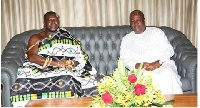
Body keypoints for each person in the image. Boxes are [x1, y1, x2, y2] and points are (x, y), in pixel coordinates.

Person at [10, 11, 97, 107]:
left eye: (56, 20)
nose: (54, 22)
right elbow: (31, 56)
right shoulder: (36, 37)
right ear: (44, 23)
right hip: (42, 66)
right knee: (24, 79)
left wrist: (70, 62)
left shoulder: (67, 37)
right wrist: (56, 63)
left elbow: (80, 57)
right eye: (50, 20)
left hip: (65, 67)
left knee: (72, 77)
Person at [119, 10, 183, 94]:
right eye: (132, 21)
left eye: (138, 20)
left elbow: (168, 49)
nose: (135, 23)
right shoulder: (126, 39)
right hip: (139, 70)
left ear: (144, 20)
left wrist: (158, 62)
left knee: (167, 74)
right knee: (140, 79)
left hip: (161, 66)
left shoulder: (156, 32)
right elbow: (123, 58)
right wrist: (137, 65)